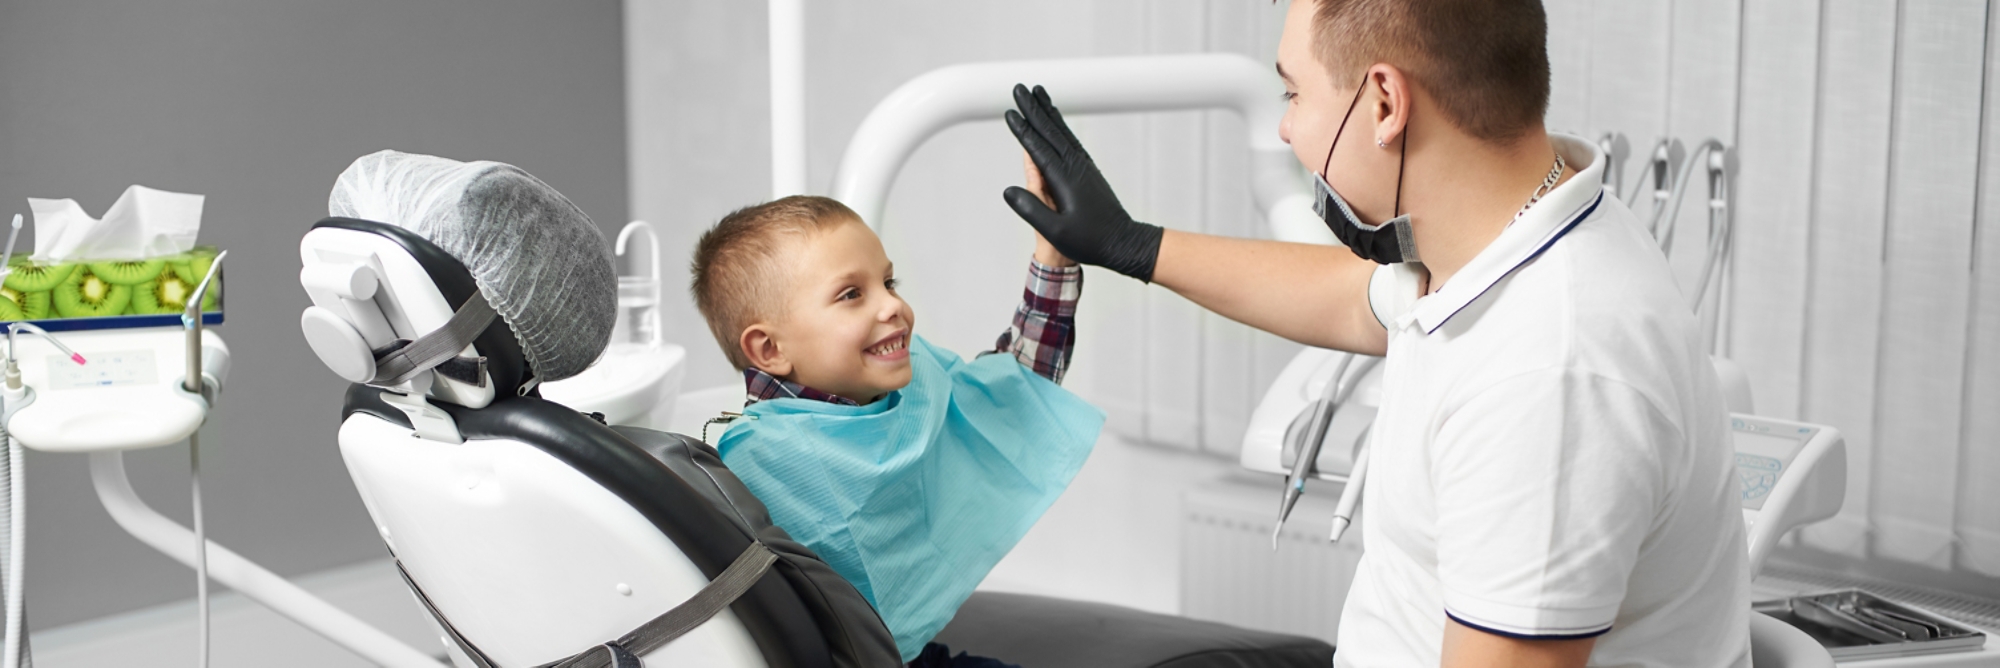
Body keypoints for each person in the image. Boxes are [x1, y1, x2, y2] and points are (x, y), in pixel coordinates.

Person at [999, 0, 1749, 666]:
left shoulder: (1551, 373)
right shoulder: (1507, 234)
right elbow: (1355, 300)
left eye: (1294, 93)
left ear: (1385, 101)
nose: (1288, 126)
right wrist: (1131, 243)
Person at [688, 166, 1102, 667]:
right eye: (851, 294)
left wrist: (1052, 258)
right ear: (770, 349)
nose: (894, 306)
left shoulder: (910, 394)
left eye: (888, 281)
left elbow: (1012, 393)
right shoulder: (757, 465)